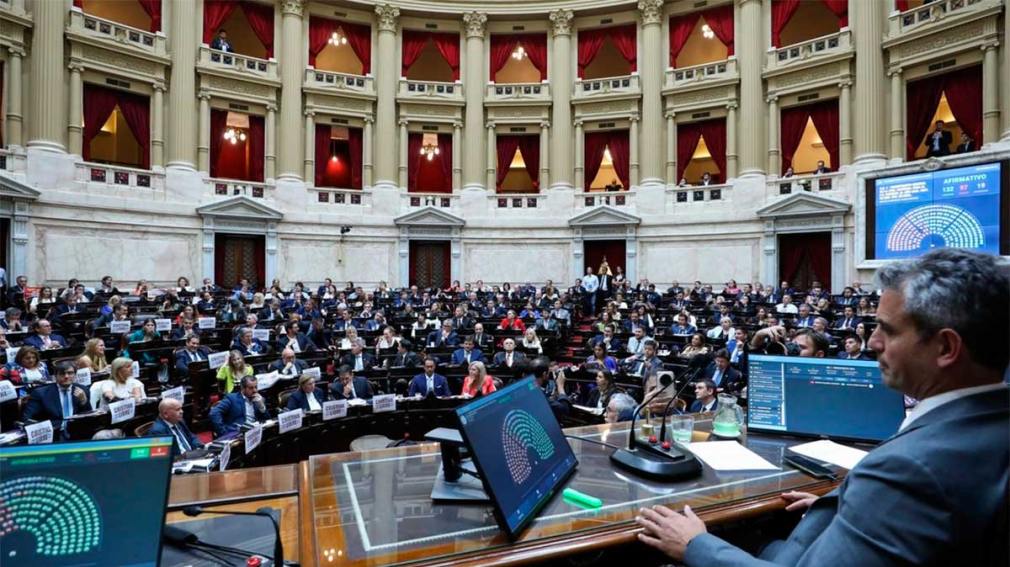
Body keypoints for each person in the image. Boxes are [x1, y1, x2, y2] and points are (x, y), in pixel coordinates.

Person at [636, 248, 1009, 566]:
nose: (873, 342)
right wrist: (850, 506)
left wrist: (695, 545)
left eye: (888, 330)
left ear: (946, 348)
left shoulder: (907, 472)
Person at [22, 361, 92, 438]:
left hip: (77, 432)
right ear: (55, 376)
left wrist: (84, 401)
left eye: (70, 373)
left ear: (75, 375)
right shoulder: (41, 393)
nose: (66, 376)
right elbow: (27, 418)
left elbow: (89, 416)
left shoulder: (83, 390)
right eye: (62, 373)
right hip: (54, 434)